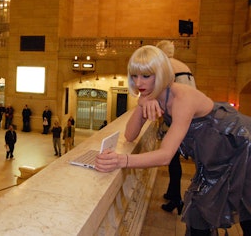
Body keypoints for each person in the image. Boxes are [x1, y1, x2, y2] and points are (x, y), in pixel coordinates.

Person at [95, 45, 251, 235]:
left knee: (246, 210)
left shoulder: (182, 98)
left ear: (160, 74)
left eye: (146, 76)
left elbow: (165, 156)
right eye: (134, 76)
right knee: (200, 215)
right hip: (214, 155)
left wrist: (122, 160)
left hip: (239, 143)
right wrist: (142, 102)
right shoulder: (152, 95)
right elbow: (130, 135)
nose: (138, 82)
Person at [156, 40, 197, 214]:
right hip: (192, 117)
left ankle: (176, 199)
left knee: (172, 161)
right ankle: (173, 194)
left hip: (177, 118)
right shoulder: (184, 66)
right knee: (174, 161)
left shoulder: (165, 67)